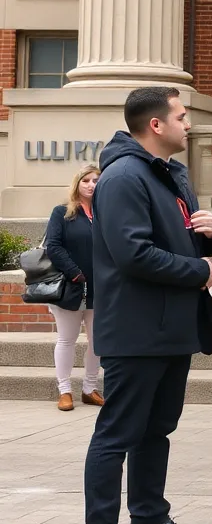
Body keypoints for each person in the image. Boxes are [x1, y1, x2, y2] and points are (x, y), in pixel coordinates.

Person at [81, 87, 212, 524]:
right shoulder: (123, 176)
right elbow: (133, 253)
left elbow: (181, 239)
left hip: (172, 325)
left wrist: (210, 233)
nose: (190, 125)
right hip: (136, 328)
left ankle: (149, 519)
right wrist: (198, 271)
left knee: (157, 429)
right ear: (156, 125)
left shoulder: (172, 174)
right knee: (117, 433)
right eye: (182, 117)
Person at [44, 164, 102, 413]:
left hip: (101, 288)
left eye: (96, 181)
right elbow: (54, 246)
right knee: (66, 339)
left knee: (97, 341)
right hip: (71, 286)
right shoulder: (63, 213)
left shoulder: (105, 213)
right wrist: (76, 274)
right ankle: (64, 390)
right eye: (86, 180)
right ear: (77, 184)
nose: (91, 185)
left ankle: (90, 389)